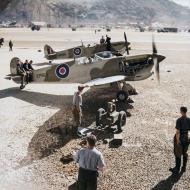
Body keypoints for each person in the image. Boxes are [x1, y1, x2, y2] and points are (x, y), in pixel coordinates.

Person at [170, 107, 190, 175]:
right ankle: (184, 168)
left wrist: (178, 140)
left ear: (181, 111)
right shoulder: (189, 120)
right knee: (185, 153)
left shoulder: (179, 120)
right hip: (186, 137)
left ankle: (177, 169)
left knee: (178, 153)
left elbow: (178, 132)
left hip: (180, 138)